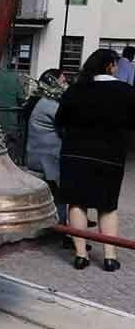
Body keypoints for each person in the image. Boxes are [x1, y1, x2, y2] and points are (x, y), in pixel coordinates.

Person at [56, 49, 135, 271]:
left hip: (75, 153)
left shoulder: (75, 89)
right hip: (110, 156)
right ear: (110, 66)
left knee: (77, 202)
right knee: (107, 206)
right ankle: (110, 256)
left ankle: (81, 254)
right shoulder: (127, 91)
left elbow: (60, 119)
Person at [24, 69, 68, 224]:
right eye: (62, 81)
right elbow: (65, 128)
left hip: (40, 154)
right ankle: (62, 229)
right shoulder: (50, 105)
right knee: (62, 194)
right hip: (48, 158)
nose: (65, 84)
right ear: (52, 83)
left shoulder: (41, 101)